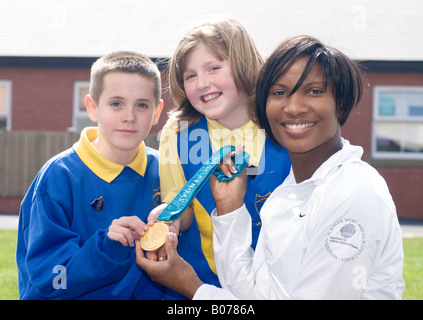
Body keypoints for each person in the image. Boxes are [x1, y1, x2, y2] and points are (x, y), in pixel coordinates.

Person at [136, 35, 406, 300]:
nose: (293, 107)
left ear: (342, 103)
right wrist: (230, 208)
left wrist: (192, 288)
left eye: (313, 91)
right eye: (279, 93)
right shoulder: (291, 189)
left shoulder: (352, 194)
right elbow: (250, 290)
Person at [154, 18, 291, 299]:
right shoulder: (176, 133)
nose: (202, 83)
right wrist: (167, 218)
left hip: (277, 280)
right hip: (198, 283)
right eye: (189, 76)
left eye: (213, 68)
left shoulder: (283, 124)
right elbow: (181, 206)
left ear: (244, 63)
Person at [16, 51, 164, 299]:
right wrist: (106, 247)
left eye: (142, 105)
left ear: (157, 112)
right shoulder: (58, 177)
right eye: (116, 103)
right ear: (92, 108)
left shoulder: (164, 169)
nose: (129, 116)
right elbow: (53, 280)